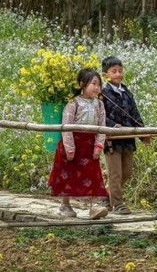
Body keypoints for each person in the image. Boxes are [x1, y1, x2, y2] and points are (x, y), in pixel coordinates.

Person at [48, 68, 110, 220]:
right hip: (74, 145)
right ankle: (65, 204)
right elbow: (66, 126)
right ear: (82, 84)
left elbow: (102, 127)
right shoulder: (73, 103)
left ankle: (94, 206)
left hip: (89, 145)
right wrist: (69, 148)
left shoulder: (100, 105)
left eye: (98, 84)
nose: (97, 87)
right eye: (93, 83)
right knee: (68, 175)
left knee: (93, 175)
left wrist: (98, 145)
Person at [100, 56, 149, 215]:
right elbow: (100, 116)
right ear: (105, 74)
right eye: (114, 71)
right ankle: (118, 203)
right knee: (115, 174)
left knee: (127, 172)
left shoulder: (127, 92)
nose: (118, 74)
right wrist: (113, 126)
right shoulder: (103, 94)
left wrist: (143, 134)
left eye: (120, 71)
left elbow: (135, 114)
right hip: (112, 140)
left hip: (128, 139)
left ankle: (106, 196)